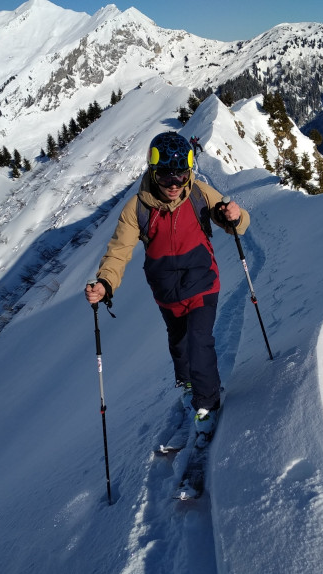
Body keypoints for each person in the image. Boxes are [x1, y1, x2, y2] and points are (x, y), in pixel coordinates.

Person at [85, 131, 249, 438]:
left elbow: (234, 221)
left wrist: (235, 216)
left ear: (189, 172)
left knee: (199, 342)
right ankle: (187, 382)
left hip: (202, 283)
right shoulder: (137, 209)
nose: (173, 185)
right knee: (179, 344)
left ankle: (206, 404)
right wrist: (105, 283)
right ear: (152, 171)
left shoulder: (200, 193)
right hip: (167, 293)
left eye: (180, 177)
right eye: (165, 178)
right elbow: (119, 251)